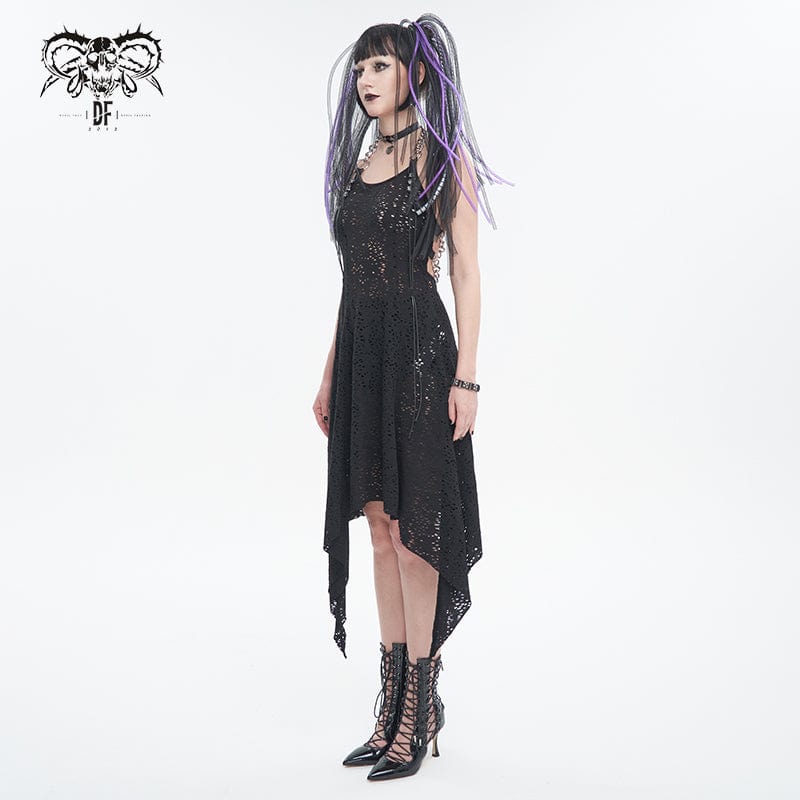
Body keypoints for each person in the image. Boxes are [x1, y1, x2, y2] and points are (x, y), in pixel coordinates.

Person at [312, 13, 510, 781]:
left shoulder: (441, 158)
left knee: (413, 530)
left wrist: (468, 376)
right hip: (363, 357)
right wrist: (331, 372)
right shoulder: (358, 163)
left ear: (415, 74)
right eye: (361, 66)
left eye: (382, 65)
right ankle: (393, 702)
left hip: (422, 359)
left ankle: (420, 708)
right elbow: (353, 280)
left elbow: (465, 271)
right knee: (377, 527)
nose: (366, 78)